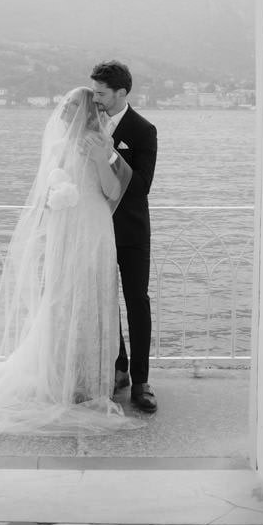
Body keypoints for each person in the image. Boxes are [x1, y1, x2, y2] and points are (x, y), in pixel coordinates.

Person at [0, 87, 142, 441]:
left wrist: (101, 158)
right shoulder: (55, 148)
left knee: (95, 300)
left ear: (85, 111)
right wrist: (56, 200)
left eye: (71, 105)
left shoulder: (103, 143)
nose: (64, 109)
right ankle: (61, 377)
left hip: (95, 230)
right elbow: (45, 197)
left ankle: (90, 382)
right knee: (63, 299)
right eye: (64, 105)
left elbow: (113, 192)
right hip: (66, 231)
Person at [90, 60, 159, 414]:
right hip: (96, 230)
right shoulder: (87, 125)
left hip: (131, 231)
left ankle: (142, 380)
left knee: (137, 302)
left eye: (102, 93)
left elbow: (142, 186)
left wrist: (109, 151)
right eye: (95, 92)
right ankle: (119, 367)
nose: (96, 99)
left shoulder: (144, 130)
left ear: (121, 93)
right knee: (104, 301)